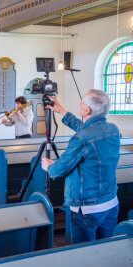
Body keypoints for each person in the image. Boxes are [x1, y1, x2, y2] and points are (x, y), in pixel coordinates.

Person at [41, 89, 120, 244]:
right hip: (110, 202)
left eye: (82, 101)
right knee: (105, 251)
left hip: (87, 208)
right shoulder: (113, 130)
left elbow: (59, 170)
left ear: (87, 110)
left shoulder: (81, 138)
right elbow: (90, 131)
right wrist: (62, 111)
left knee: (85, 254)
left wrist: (49, 166)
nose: (80, 103)